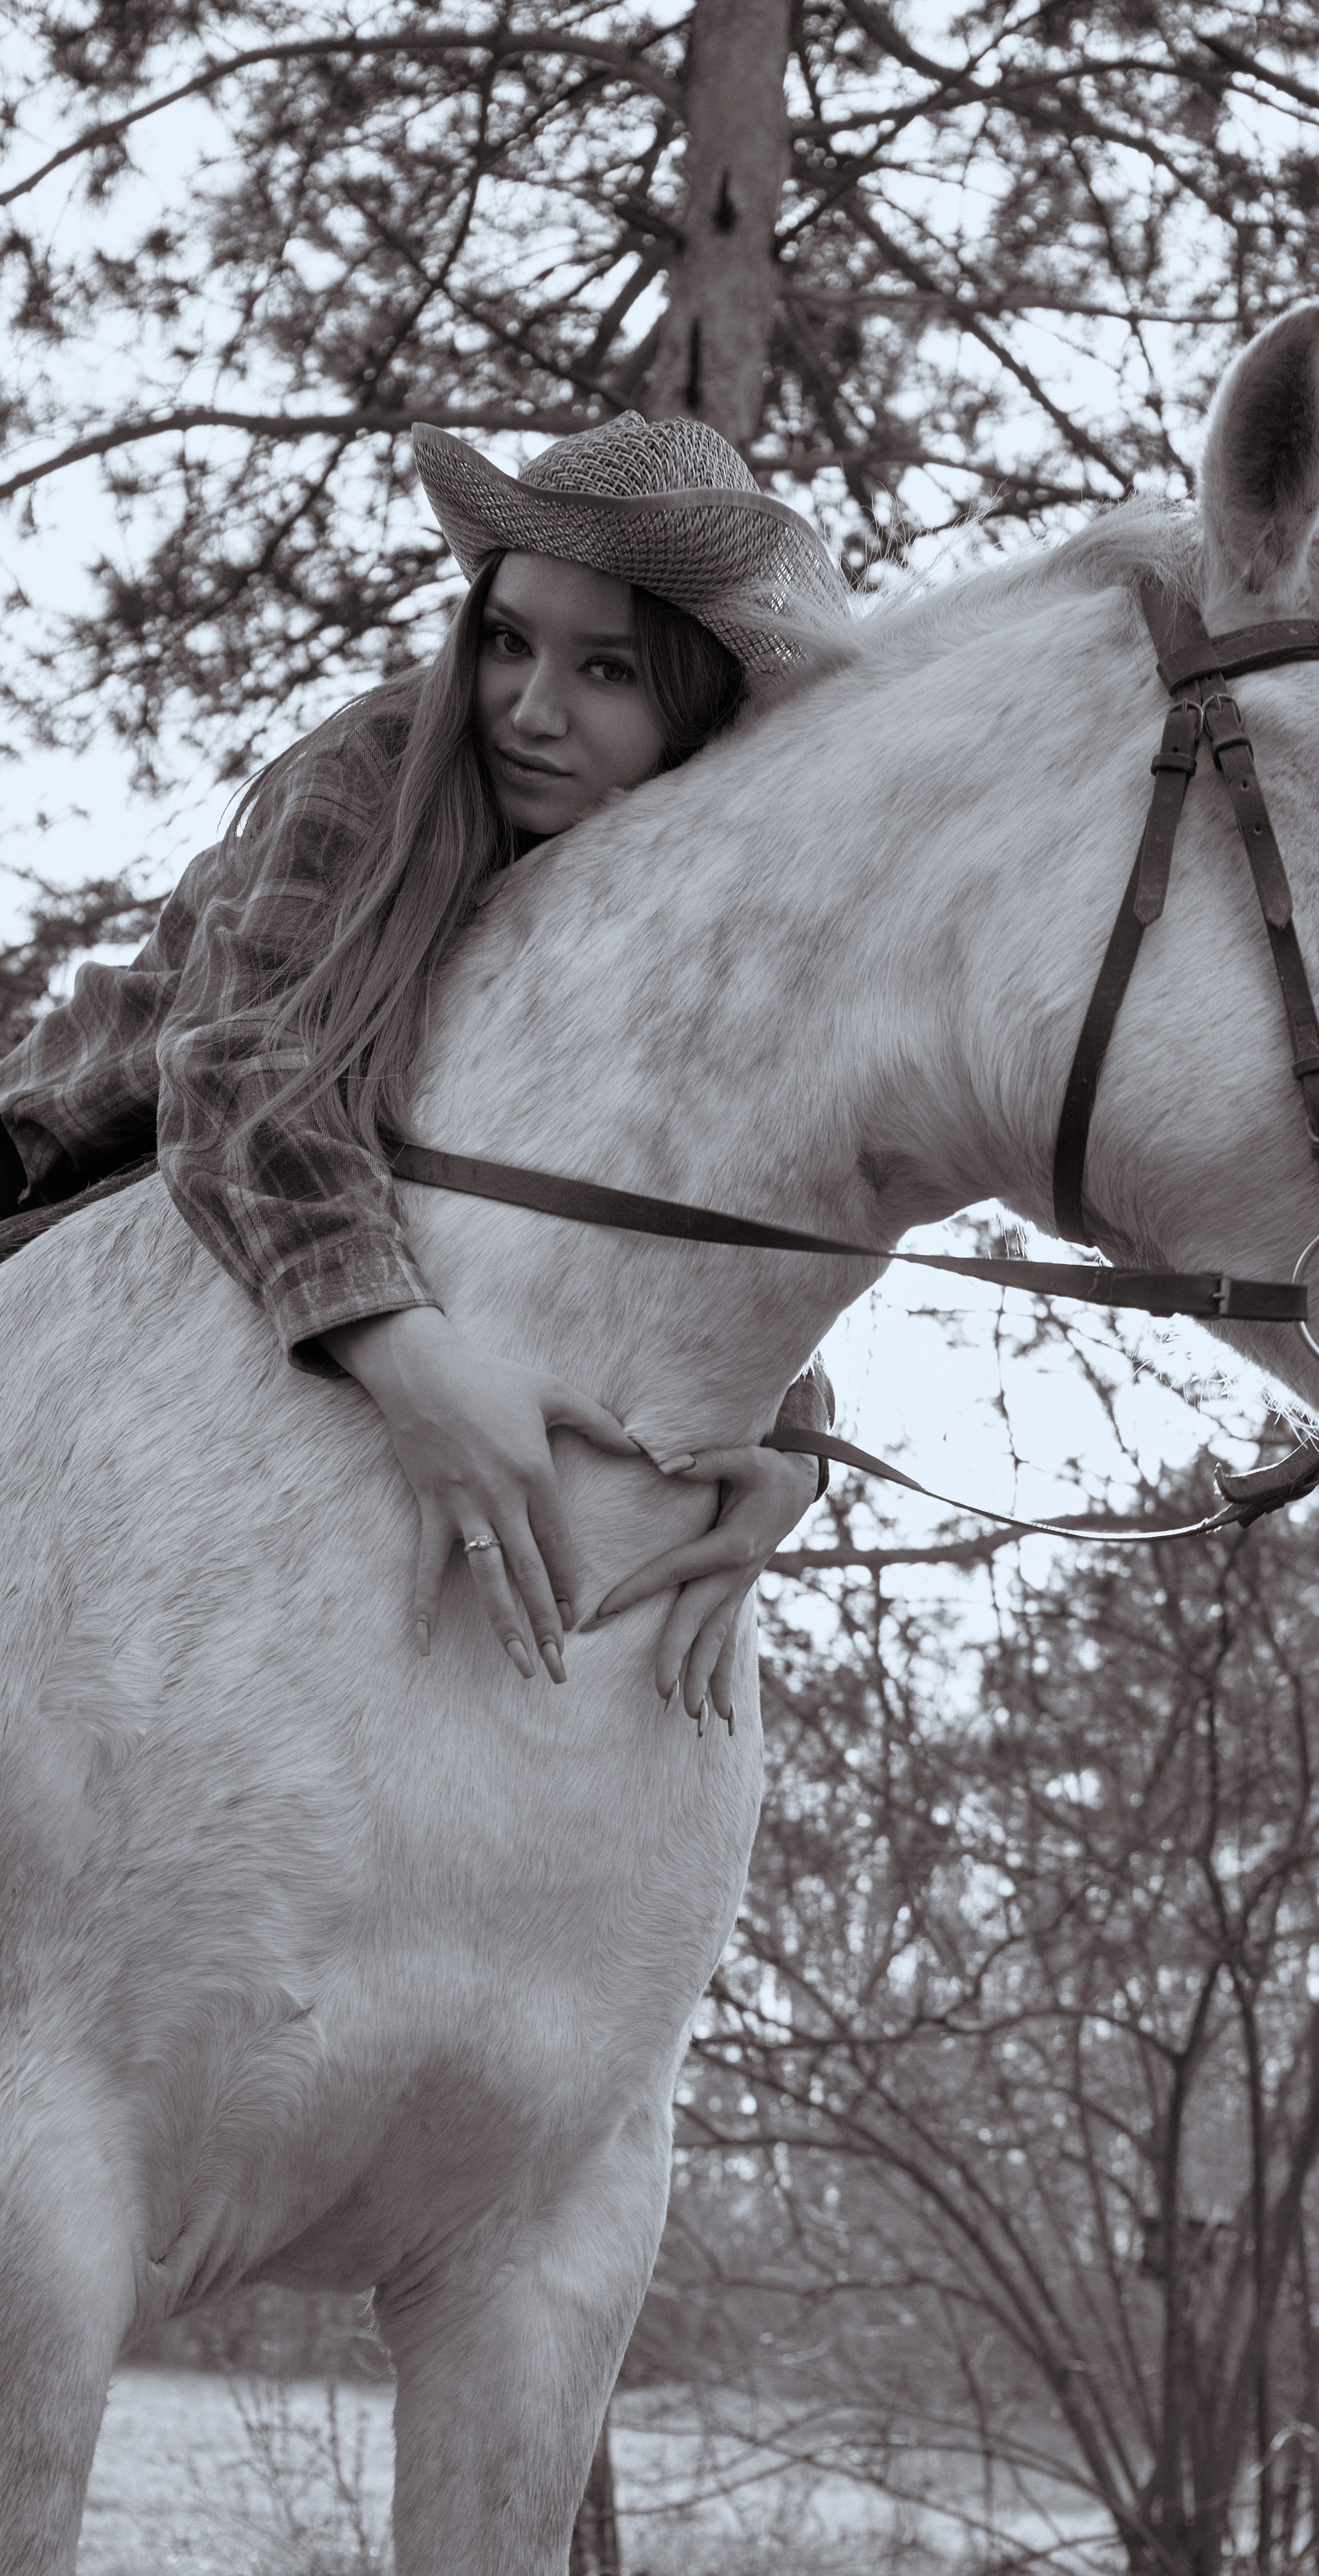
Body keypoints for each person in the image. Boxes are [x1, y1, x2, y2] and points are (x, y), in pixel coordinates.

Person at [0, 411, 849, 1723]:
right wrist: (409, 1361)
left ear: (696, 705)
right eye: (507, 641)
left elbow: (706, 1190)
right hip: (65, 1177)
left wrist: (796, 1434)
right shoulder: (385, 764)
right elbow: (236, 1070)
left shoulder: (698, 913)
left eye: (608, 671)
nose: (532, 707)